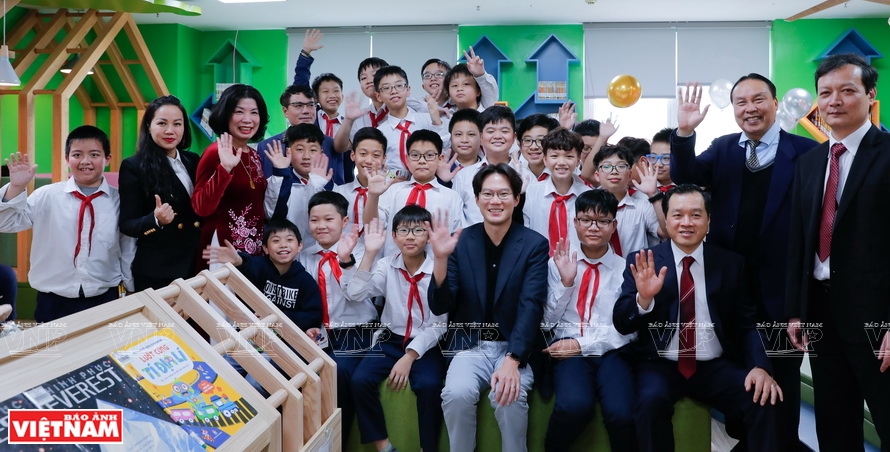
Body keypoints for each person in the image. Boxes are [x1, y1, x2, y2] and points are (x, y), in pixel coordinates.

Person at [672, 75, 817, 451]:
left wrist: (802, 303)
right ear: (733, 108)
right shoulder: (723, 148)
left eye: (758, 100)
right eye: (741, 102)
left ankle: (782, 443)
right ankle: (749, 442)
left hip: (782, 293)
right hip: (731, 291)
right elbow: (685, 177)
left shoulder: (806, 152)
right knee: (742, 372)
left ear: (775, 103)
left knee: (782, 378)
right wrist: (685, 133)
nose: (750, 109)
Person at [613, 184, 782, 451]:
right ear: (666, 221)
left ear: (709, 221)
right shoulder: (644, 261)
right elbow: (622, 322)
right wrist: (643, 300)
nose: (686, 223)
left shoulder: (731, 264)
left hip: (714, 365)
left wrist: (760, 366)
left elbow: (747, 324)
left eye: (695, 215)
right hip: (661, 364)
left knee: (765, 399)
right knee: (649, 403)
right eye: (677, 215)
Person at [787, 53, 890, 450]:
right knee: (834, 424)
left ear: (870, 95)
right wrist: (797, 310)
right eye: (825, 92)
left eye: (847, 90)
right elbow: (800, 241)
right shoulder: (810, 162)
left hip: (877, 316)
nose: (834, 101)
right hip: (821, 311)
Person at [428, 163, 548, 452]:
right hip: (470, 344)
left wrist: (513, 360)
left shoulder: (534, 245)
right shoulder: (460, 242)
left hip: (515, 346)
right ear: (477, 199)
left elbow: (531, 305)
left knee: (508, 396)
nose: (495, 201)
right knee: (456, 394)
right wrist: (440, 260)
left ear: (516, 199)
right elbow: (440, 305)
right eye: (488, 194)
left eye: (504, 194)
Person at [0, 126, 135, 322]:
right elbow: (5, 223)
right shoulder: (47, 196)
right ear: (67, 158)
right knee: (53, 343)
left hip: (104, 298)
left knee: (101, 343)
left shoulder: (120, 200)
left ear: (107, 159)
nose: (85, 161)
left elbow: (128, 248)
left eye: (94, 154)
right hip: (52, 301)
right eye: (77, 155)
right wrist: (16, 187)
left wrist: (132, 289)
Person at [345, 207, 447, 452]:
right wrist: (369, 253)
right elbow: (355, 293)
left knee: (429, 385)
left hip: (427, 344)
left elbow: (439, 324)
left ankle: (427, 448)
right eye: (403, 231)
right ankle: (383, 445)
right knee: (360, 380)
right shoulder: (386, 265)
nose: (410, 236)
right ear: (393, 236)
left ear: (429, 236)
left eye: (418, 230)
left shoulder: (438, 270)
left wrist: (409, 357)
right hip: (390, 340)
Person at [542, 189, 636, 452]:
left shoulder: (625, 270)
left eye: (603, 221)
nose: (594, 227)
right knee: (574, 406)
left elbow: (627, 331)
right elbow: (546, 322)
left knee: (621, 414)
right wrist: (566, 283)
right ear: (575, 222)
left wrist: (581, 345)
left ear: (613, 225)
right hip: (567, 351)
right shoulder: (556, 264)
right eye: (586, 220)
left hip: (611, 352)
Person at [299, 191, 378, 441]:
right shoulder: (304, 256)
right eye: (314, 220)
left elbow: (356, 294)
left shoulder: (363, 252)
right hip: (319, 332)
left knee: (338, 371)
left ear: (344, 222)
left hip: (356, 330)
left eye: (328, 219)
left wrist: (346, 260)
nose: (321, 225)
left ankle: (336, 442)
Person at [118, 95, 202, 291]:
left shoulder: (193, 160)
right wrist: (155, 220)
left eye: (177, 124)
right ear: (148, 126)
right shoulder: (134, 166)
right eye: (162, 123)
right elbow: (127, 224)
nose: (170, 131)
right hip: (159, 271)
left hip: (195, 265)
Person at [192, 84, 270, 268]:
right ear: (226, 114)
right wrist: (225, 169)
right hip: (222, 246)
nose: (247, 119)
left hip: (252, 249)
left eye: (254, 112)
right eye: (239, 112)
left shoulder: (254, 154)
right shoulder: (215, 152)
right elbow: (200, 207)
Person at [203, 217, 321, 331]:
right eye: (276, 240)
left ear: (300, 246)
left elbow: (313, 316)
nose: (283, 245)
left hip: (286, 338)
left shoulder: (306, 281)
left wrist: (279, 318)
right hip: (251, 332)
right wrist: (238, 260)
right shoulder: (259, 266)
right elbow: (248, 267)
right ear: (265, 248)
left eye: (289, 240)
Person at [363, 130, 463, 256]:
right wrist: (373, 196)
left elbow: (457, 237)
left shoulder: (452, 197)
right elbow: (372, 225)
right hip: (393, 264)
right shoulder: (393, 191)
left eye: (429, 155)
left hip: (435, 265)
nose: (422, 161)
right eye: (415, 155)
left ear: (440, 159)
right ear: (407, 159)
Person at [256, 85, 345, 189]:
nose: (306, 111)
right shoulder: (267, 146)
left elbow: (339, 186)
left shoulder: (331, 144)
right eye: (298, 106)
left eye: (311, 105)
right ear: (285, 111)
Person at [264, 124, 333, 249]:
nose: (306, 156)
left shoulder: (330, 184)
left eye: (313, 150)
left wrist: (316, 186)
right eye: (300, 150)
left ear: (321, 153)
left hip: (320, 252)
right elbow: (271, 214)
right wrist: (280, 173)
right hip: (287, 252)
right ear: (288, 152)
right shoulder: (276, 180)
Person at [373, 66, 449, 177]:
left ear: (408, 90)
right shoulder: (380, 133)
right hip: (395, 185)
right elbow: (379, 168)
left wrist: (437, 121)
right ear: (378, 96)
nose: (394, 91)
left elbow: (445, 150)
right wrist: (393, 178)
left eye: (399, 86)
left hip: (429, 182)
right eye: (386, 88)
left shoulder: (428, 120)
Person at [523, 127, 590, 253]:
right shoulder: (532, 192)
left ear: (578, 160)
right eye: (554, 156)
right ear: (545, 160)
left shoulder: (587, 195)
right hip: (540, 260)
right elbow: (527, 230)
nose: (561, 162)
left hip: (578, 261)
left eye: (569, 156)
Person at [450, 106, 519, 226]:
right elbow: (455, 219)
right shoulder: (463, 176)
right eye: (491, 131)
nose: (497, 136)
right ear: (481, 138)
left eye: (504, 131)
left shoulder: (525, 175)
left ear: (514, 137)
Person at [592, 144, 664, 257]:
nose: (614, 171)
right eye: (607, 166)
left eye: (621, 166)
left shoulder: (642, 207)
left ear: (630, 174)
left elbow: (665, 232)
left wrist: (653, 194)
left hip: (635, 267)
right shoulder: (588, 206)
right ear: (597, 175)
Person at [333, 127, 387, 237]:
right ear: (353, 155)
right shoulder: (339, 192)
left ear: (384, 159)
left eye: (376, 155)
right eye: (363, 154)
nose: (369, 161)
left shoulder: (391, 192)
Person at [333, 57, 391, 154]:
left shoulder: (404, 109)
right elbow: (340, 147)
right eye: (363, 78)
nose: (368, 81)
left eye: (374, 75)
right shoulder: (360, 117)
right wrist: (348, 120)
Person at [516, 114, 560, 182]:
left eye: (540, 140)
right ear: (519, 143)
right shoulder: (516, 175)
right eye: (528, 140)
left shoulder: (563, 175)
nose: (533, 147)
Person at [649, 127, 675, 192]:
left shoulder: (692, 190)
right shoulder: (640, 190)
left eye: (666, 158)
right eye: (653, 157)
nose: (658, 164)